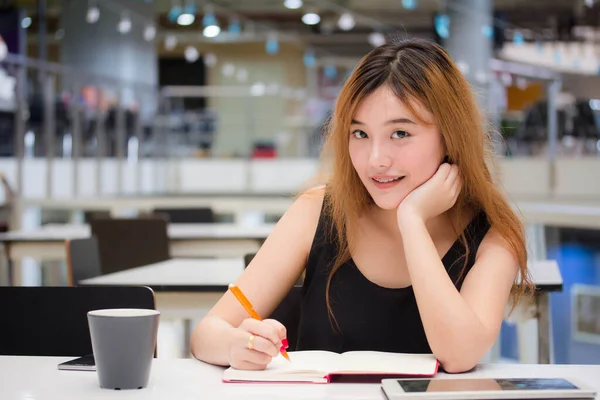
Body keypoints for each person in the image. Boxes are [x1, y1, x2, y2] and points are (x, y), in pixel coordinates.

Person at [190, 38, 533, 373]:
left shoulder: (493, 234)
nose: (376, 160)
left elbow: (459, 355)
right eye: (360, 134)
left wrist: (412, 220)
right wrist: (238, 345)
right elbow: (208, 332)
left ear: (450, 136)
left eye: (400, 133)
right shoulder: (317, 211)